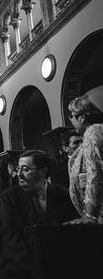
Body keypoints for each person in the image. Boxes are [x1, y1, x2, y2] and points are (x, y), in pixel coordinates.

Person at [0, 150, 78, 279]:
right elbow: (12, 239)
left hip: (57, 261)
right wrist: (37, 267)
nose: (19, 175)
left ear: (43, 172)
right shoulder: (10, 197)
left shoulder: (64, 195)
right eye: (18, 169)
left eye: (26, 170)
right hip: (19, 264)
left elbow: (70, 234)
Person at [66, 86, 103, 224]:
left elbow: (95, 174)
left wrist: (89, 215)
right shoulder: (88, 139)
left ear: (82, 117)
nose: (70, 120)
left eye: (71, 115)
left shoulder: (93, 131)